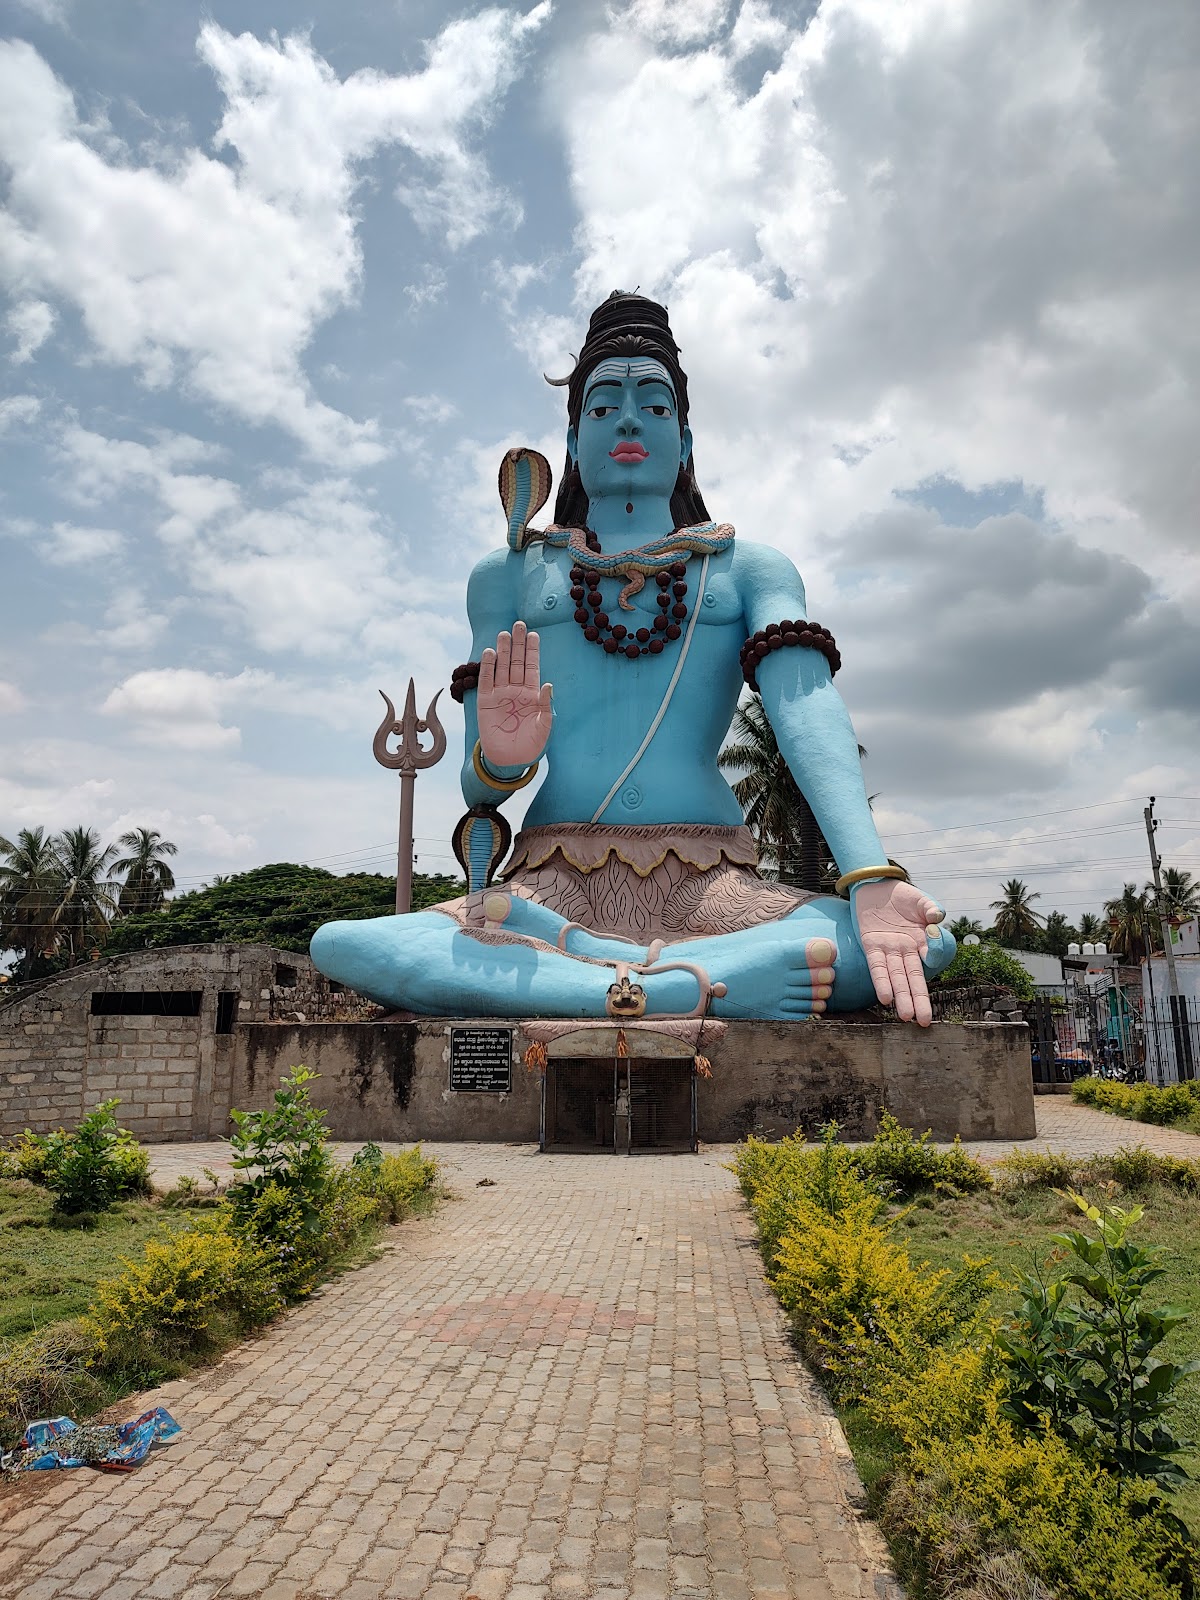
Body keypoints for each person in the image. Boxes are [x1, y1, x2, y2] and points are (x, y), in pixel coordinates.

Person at [312, 293, 954, 1022]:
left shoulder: (749, 569)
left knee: (921, 941)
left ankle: (599, 981)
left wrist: (870, 878)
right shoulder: (510, 575)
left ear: (683, 442)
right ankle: (684, 988)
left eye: (653, 406)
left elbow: (804, 702)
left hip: (714, 883)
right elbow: (479, 791)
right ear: (574, 438)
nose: (626, 419)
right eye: (602, 405)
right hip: (551, 881)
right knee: (346, 944)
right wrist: (502, 756)